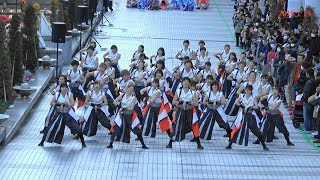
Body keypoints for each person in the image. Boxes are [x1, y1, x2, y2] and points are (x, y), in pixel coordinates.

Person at [226, 84, 269, 151]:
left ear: (251, 91)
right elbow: (236, 102)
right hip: (242, 116)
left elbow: (256, 106)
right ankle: (230, 144)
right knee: (236, 129)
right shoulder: (242, 96)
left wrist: (249, 108)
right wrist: (242, 106)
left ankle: (264, 145)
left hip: (250, 116)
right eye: (246, 90)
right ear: (245, 90)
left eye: (249, 90)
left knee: (256, 131)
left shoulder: (253, 97)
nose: (248, 91)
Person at [107, 84, 148, 149]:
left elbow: (131, 108)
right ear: (126, 89)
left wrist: (123, 108)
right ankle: (110, 143)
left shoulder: (133, 98)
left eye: (131, 89)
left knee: (136, 129)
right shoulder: (122, 96)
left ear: (133, 91)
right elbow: (114, 102)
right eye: (129, 88)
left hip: (130, 116)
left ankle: (143, 144)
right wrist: (118, 105)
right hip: (122, 116)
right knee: (116, 128)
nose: (130, 90)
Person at [167, 77, 204, 149]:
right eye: (184, 81)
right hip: (180, 110)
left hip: (190, 111)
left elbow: (196, 103)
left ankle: (198, 143)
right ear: (182, 83)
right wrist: (180, 102)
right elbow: (173, 101)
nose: (186, 83)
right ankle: (170, 142)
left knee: (193, 125)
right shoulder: (178, 91)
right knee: (176, 125)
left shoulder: (193, 92)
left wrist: (190, 103)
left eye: (187, 82)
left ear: (189, 83)